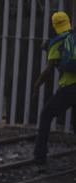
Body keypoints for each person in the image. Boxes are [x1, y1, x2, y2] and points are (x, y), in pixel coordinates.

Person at [33, 11, 76, 165]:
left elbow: (48, 71)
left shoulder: (56, 42)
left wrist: (37, 85)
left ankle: (40, 158)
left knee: (46, 115)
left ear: (54, 26)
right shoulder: (73, 37)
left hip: (68, 88)